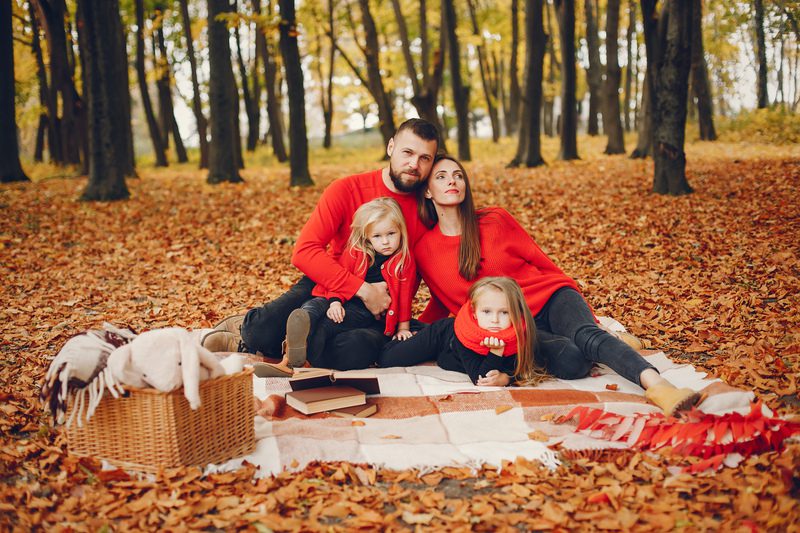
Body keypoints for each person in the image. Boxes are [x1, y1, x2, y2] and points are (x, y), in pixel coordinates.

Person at [382, 154, 700, 416]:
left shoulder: (494, 219)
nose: (452, 181)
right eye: (441, 177)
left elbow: (543, 263)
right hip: (519, 326)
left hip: (550, 297)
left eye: (458, 175)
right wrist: (411, 331)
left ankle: (659, 387)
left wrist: (584, 311)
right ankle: (604, 340)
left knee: (584, 334)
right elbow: (444, 301)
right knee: (573, 361)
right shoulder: (424, 248)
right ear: (426, 191)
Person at [202, 118, 439, 371]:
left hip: (379, 311)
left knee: (354, 351)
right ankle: (246, 332)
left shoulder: (429, 209)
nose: (414, 164)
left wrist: (414, 327)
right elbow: (304, 252)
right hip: (331, 284)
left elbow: (441, 275)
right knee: (262, 330)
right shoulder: (346, 189)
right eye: (408, 153)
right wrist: (363, 289)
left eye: (425, 158)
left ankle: (289, 347)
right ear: (391, 147)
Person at [260, 198, 416, 376]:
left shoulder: (404, 262)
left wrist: (403, 328)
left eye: (391, 234)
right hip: (338, 299)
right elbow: (339, 279)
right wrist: (335, 302)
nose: (386, 241)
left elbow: (404, 297)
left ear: (401, 231)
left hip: (362, 312)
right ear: (367, 238)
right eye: (377, 236)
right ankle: (293, 349)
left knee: (326, 326)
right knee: (313, 306)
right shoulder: (355, 253)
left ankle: (300, 363)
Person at [382, 277, 547, 387]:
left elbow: (514, 370)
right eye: (487, 312)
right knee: (388, 359)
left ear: (516, 313)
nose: (495, 320)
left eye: (504, 312)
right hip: (444, 336)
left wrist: (506, 378)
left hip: (449, 356)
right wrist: (496, 353)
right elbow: (481, 379)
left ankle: (420, 329)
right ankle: (413, 328)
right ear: (475, 313)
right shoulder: (467, 333)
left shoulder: (521, 334)